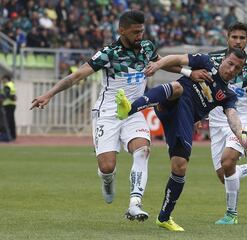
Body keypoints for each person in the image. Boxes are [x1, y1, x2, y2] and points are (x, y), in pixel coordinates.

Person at [31, 10, 166, 222]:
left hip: (133, 112)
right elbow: (76, 75)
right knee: (107, 167)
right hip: (108, 113)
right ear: (122, 31)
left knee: (142, 150)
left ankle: (134, 204)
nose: (140, 35)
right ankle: (106, 180)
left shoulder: (148, 47)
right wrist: (49, 93)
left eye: (142, 31)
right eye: (135, 32)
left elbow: (167, 63)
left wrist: (188, 71)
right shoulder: (108, 53)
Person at [116, 48, 247, 231]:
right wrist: (157, 65)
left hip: (185, 120)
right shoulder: (206, 61)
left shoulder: (228, 95)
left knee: (180, 166)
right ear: (224, 60)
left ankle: (164, 217)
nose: (232, 69)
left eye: (237, 68)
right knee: (177, 87)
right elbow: (176, 58)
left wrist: (241, 135)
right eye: (230, 63)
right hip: (172, 103)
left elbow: (232, 115)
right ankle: (129, 108)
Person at [191, 22, 247, 225]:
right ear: (227, 38)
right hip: (216, 121)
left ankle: (231, 215)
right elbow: (200, 86)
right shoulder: (213, 60)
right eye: (234, 37)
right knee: (224, 174)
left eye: (242, 38)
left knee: (228, 162)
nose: (238, 41)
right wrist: (196, 114)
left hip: (240, 120)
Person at [2, 75, 17, 141]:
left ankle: (9, 136)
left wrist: (2, 98)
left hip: (8, 105)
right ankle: (13, 136)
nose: (2, 81)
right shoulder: (12, 84)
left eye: (2, 79)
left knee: (8, 121)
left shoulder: (7, 85)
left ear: (5, 79)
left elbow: (6, 95)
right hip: (12, 105)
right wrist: (13, 97)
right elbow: (12, 95)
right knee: (11, 121)